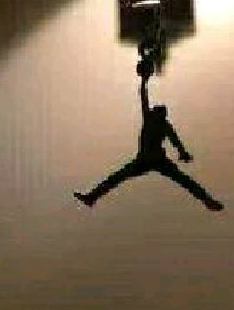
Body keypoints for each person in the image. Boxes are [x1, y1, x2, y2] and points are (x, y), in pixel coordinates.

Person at [74, 62, 224, 211]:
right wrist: (144, 80)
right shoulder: (151, 118)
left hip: (156, 159)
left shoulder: (161, 123)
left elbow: (175, 141)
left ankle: (208, 200)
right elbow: (144, 97)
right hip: (145, 159)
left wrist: (183, 153)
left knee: (183, 180)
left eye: (160, 112)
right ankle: (92, 197)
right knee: (117, 177)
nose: (158, 112)